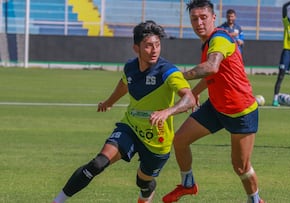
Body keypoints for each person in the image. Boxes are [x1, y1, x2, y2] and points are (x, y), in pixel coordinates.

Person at [52, 20, 195, 203]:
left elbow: (189, 98)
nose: (154, 50)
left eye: (157, 45)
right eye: (148, 46)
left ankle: (147, 192)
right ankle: (57, 200)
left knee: (143, 182)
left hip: (157, 140)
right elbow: (124, 84)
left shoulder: (167, 71)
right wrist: (108, 102)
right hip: (131, 127)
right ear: (136, 48)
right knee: (98, 163)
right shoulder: (130, 67)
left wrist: (168, 111)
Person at [162, 1, 264, 203]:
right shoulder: (208, 41)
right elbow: (215, 76)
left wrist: (178, 77)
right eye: (194, 18)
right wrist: (195, 92)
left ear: (213, 18)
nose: (199, 22)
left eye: (203, 17)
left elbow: (211, 68)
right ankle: (188, 185)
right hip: (217, 107)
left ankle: (255, 200)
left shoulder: (220, 39)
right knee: (180, 140)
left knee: (240, 166)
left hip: (241, 112)